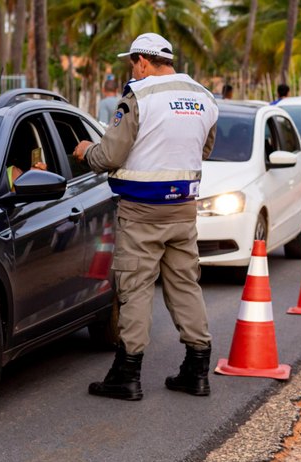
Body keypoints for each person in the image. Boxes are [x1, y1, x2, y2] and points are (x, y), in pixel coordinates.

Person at [72, 32, 219, 401]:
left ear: (141, 61)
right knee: (185, 284)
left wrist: (87, 150)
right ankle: (197, 368)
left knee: (135, 287)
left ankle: (127, 374)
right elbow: (206, 146)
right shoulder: (203, 96)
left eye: (131, 64)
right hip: (183, 209)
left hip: (141, 212)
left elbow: (109, 157)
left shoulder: (138, 97)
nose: (132, 71)